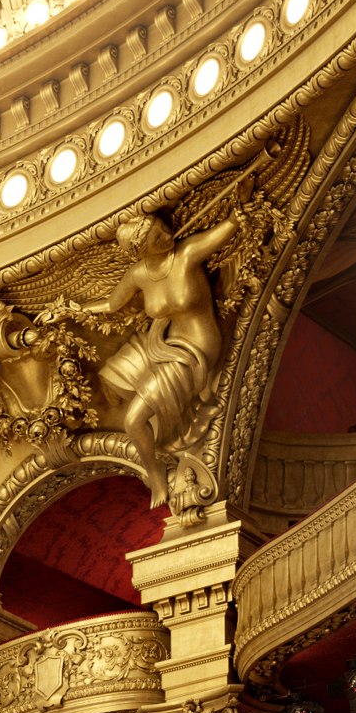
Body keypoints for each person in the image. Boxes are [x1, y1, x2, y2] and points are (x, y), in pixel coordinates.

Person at [92, 209, 242, 508]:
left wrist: (237, 210)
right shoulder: (139, 274)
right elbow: (111, 303)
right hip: (163, 342)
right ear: (141, 249)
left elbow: (228, 228)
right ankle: (161, 435)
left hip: (196, 348)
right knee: (112, 375)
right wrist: (70, 309)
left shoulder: (185, 254)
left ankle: (156, 476)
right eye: (157, 237)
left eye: (163, 228)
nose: (167, 236)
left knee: (133, 421)